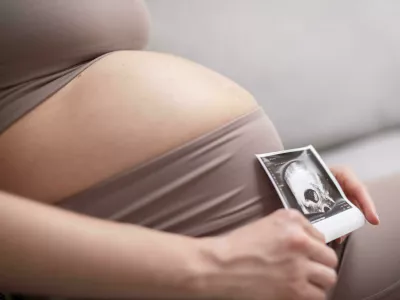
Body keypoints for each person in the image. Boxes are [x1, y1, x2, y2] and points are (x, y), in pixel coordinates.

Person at [0, 1, 398, 299]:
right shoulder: (215, 269)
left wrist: (300, 181)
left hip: (286, 245)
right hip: (202, 275)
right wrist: (213, 267)